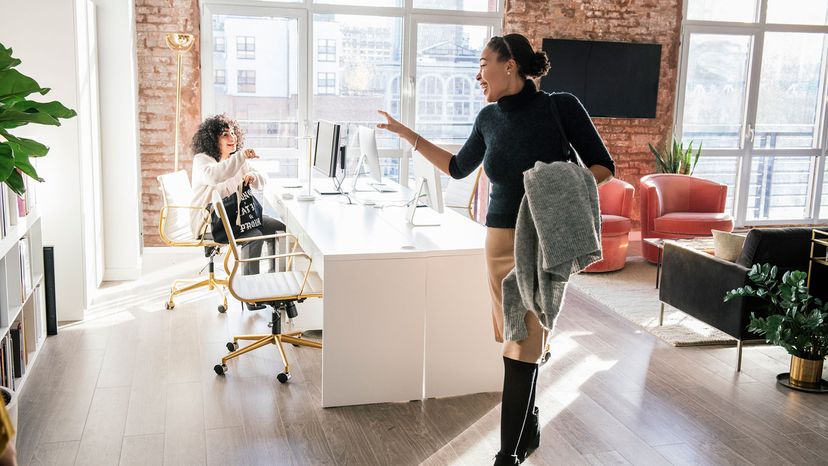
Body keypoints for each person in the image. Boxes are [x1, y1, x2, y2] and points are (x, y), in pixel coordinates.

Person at [378, 33, 614, 465]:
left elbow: (603, 166)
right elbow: (455, 168)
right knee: (518, 337)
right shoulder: (488, 119)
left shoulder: (561, 107)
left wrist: (554, 190)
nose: (477, 74)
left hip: (541, 240)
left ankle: (507, 456)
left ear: (509, 64)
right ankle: (530, 424)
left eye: (483, 63)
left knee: (520, 345)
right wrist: (405, 134)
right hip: (498, 244)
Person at [190, 114, 286, 310]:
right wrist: (242, 158)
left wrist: (252, 175)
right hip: (210, 222)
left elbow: (263, 179)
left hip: (236, 217)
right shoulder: (202, 160)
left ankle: (273, 282)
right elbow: (215, 176)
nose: (231, 137)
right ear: (212, 139)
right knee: (254, 236)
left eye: (233, 133)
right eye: (225, 134)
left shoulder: (236, 160)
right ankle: (250, 295)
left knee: (280, 229)